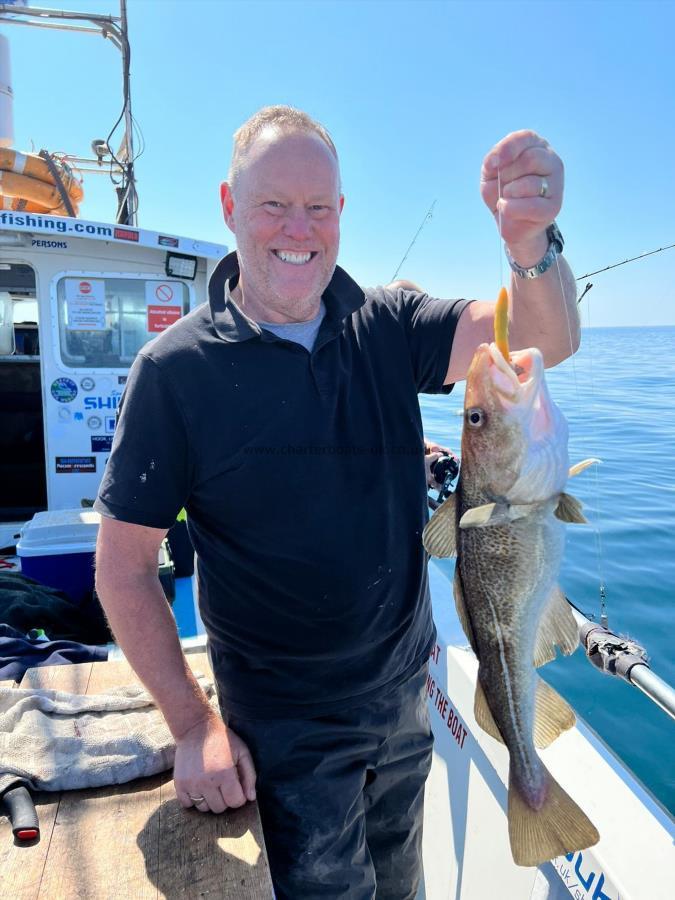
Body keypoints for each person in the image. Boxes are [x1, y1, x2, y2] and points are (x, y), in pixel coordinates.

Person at [94, 106, 579, 899]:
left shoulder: (386, 322)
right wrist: (193, 727)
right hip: (280, 724)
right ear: (228, 206)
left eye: (318, 206)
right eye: (273, 205)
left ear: (342, 213)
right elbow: (121, 569)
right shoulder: (172, 372)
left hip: (403, 694)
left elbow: (537, 341)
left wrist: (528, 244)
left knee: (402, 886)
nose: (299, 227)